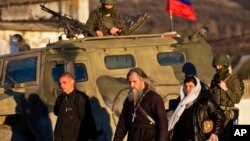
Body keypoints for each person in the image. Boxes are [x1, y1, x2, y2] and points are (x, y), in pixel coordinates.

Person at [113, 67, 168, 141]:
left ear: (143, 81)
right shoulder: (129, 100)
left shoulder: (154, 98)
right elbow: (122, 125)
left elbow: (163, 125)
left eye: (134, 82)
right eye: (130, 82)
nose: (131, 85)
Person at [168, 75, 225, 141]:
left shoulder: (205, 100)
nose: (187, 89)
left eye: (190, 86)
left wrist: (214, 133)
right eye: (186, 86)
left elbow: (220, 116)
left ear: (196, 87)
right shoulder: (181, 102)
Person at [54, 72, 97, 141]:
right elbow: (56, 112)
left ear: (72, 82)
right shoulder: (60, 98)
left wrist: (90, 137)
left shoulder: (80, 98)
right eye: (60, 83)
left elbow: (87, 120)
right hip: (59, 138)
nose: (61, 86)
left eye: (64, 82)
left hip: (75, 138)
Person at [210, 55, 244, 141]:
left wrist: (226, 89)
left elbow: (237, 99)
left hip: (229, 117)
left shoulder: (233, 79)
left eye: (220, 66)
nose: (218, 68)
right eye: (216, 66)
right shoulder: (215, 79)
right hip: (216, 116)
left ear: (225, 66)